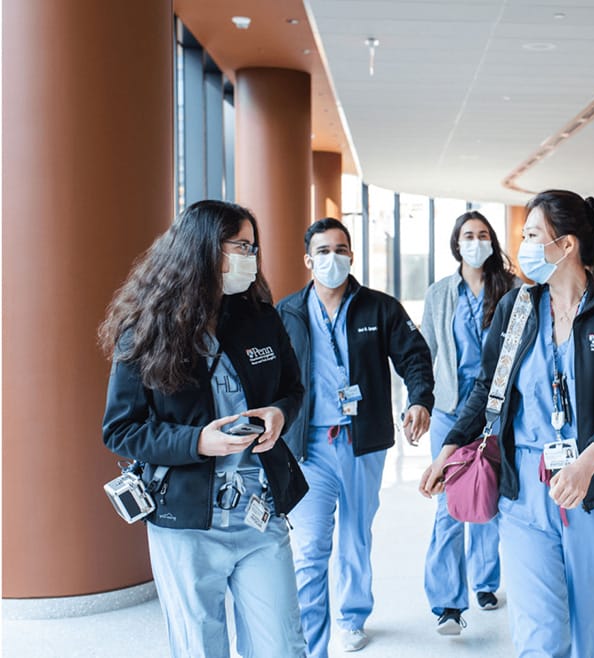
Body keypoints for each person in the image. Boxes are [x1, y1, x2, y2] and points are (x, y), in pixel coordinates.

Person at [419, 190, 594, 658]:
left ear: (566, 246)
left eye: (531, 235)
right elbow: (487, 389)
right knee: (538, 636)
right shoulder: (518, 308)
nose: (520, 246)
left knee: (585, 632)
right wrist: (448, 449)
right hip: (523, 490)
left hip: (593, 486)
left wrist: (586, 465)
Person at [101, 200, 307, 657]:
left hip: (261, 513)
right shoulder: (147, 330)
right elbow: (122, 429)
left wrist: (279, 413)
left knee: (283, 647)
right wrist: (198, 441)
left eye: (253, 247)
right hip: (187, 523)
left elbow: (292, 388)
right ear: (205, 249)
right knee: (200, 646)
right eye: (242, 246)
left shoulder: (260, 317)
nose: (251, 258)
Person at [277, 218, 434, 654]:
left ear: (351, 256)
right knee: (309, 548)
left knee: (355, 537)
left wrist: (419, 398)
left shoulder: (379, 308)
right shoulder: (287, 313)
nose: (333, 258)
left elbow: (415, 356)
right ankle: (311, 641)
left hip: (362, 443)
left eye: (341, 249)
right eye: (323, 251)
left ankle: (352, 616)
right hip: (308, 445)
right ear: (308, 260)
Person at [420, 211, 516, 634]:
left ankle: (485, 581)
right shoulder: (441, 293)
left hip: (496, 413)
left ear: (492, 241)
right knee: (450, 506)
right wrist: (417, 403)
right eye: (468, 236)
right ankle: (447, 603)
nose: (475, 242)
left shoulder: (511, 290)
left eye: (482, 235)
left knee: (487, 498)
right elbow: (425, 354)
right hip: (449, 412)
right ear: (456, 244)